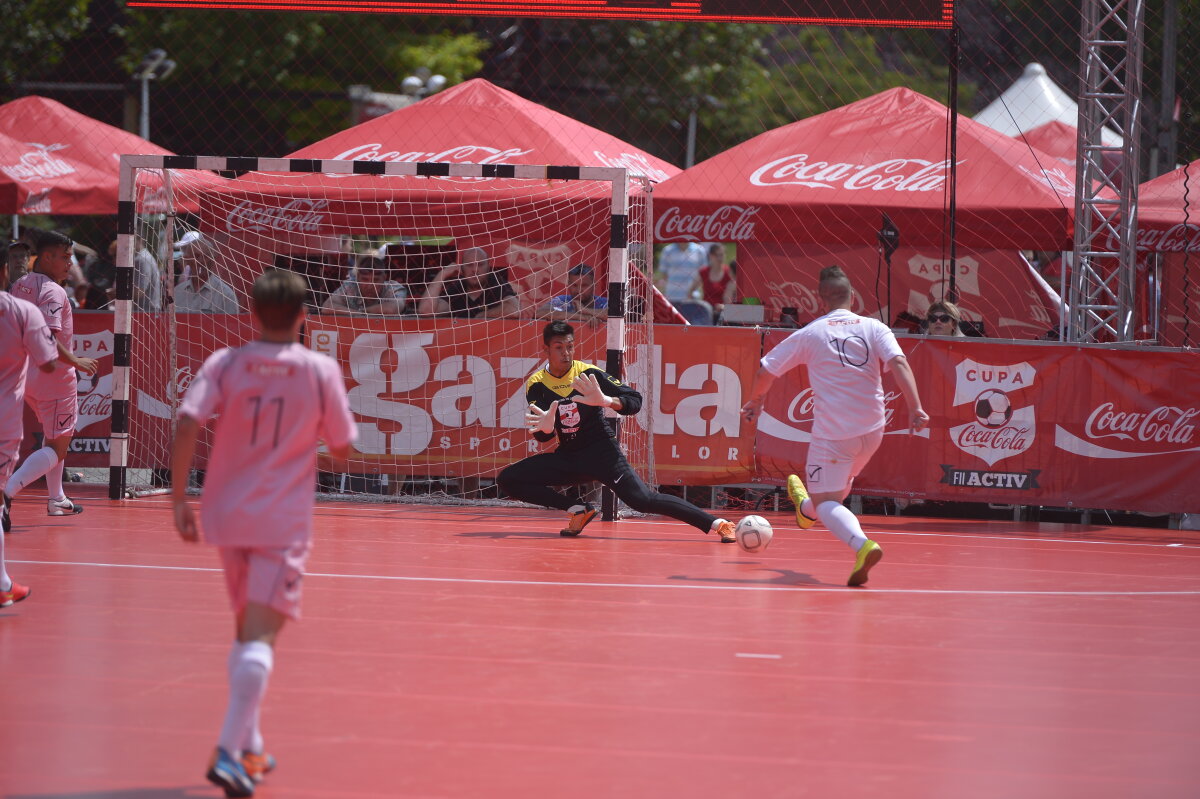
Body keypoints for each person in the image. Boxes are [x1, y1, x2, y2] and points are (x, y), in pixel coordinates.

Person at [171, 269, 356, 797]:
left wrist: (180, 498)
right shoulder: (318, 370)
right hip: (279, 520)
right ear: (304, 317)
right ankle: (228, 752)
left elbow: (187, 421)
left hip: (225, 513)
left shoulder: (225, 362)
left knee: (244, 630)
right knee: (260, 637)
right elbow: (342, 448)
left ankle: (249, 744)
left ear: (251, 312)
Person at [741, 265, 928, 586]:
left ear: (820, 299)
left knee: (828, 500)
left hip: (835, 434)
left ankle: (862, 545)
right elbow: (899, 362)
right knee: (834, 489)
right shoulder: (874, 327)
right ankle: (805, 509)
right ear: (852, 296)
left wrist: (756, 401)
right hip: (873, 429)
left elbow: (765, 371)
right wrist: (915, 407)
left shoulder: (811, 333)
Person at [498, 320, 738, 543]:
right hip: (569, 457)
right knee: (509, 479)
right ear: (546, 350)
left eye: (570, 346)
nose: (566, 353)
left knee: (643, 500)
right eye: (559, 347)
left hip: (603, 454)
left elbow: (635, 400)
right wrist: (547, 428)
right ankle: (578, 510)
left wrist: (606, 401)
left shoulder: (588, 374)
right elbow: (542, 435)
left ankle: (719, 524)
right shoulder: (537, 384)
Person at [4, 231, 100, 520]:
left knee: (53, 437)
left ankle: (57, 499)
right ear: (46, 257)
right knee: (58, 447)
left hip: (26, 376)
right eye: (65, 257)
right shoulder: (53, 291)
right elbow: (47, 336)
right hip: (53, 378)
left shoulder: (19, 284)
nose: (70, 263)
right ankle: (6, 492)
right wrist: (76, 360)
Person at [0, 257, 58, 603]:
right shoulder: (23, 312)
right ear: (4, 271)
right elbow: (48, 363)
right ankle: (2, 584)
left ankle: (3, 583)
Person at [419, 246, 519, 318]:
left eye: (480, 264)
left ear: (488, 266)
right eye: (469, 265)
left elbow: (515, 310)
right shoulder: (457, 287)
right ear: (461, 268)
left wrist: (481, 315)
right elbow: (425, 311)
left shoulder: (496, 283)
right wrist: (442, 274)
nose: (475, 270)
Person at [321, 254, 407, 315]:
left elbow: (392, 309)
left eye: (376, 280)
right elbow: (326, 307)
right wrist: (358, 313)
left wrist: (362, 312)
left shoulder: (394, 288)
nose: (370, 286)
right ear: (358, 277)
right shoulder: (350, 286)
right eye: (365, 279)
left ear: (384, 278)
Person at [175, 236, 240, 314]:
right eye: (196, 256)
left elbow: (233, 321)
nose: (201, 261)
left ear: (213, 259)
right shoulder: (177, 292)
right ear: (187, 259)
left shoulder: (226, 295)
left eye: (206, 256)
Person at [538, 264, 607, 324]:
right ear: (568, 285)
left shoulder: (604, 302)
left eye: (584, 285)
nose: (579, 290)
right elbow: (539, 313)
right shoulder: (562, 300)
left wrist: (584, 310)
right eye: (574, 285)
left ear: (594, 285)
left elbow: (609, 314)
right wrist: (580, 317)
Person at [692, 244, 736, 323]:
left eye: (722, 255)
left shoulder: (729, 272)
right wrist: (696, 305)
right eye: (717, 255)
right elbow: (691, 291)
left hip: (724, 314)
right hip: (706, 313)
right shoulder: (704, 272)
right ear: (710, 256)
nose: (720, 258)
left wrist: (726, 307)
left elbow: (734, 294)